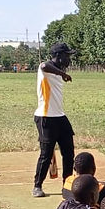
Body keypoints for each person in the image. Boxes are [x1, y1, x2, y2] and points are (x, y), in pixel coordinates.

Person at [33, 42, 75, 198]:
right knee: (46, 154)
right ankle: (37, 186)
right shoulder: (46, 68)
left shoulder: (58, 70)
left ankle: (67, 185)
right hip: (45, 117)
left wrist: (61, 73)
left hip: (60, 116)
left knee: (69, 153)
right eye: (67, 55)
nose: (69, 59)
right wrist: (62, 74)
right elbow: (44, 65)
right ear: (58, 55)